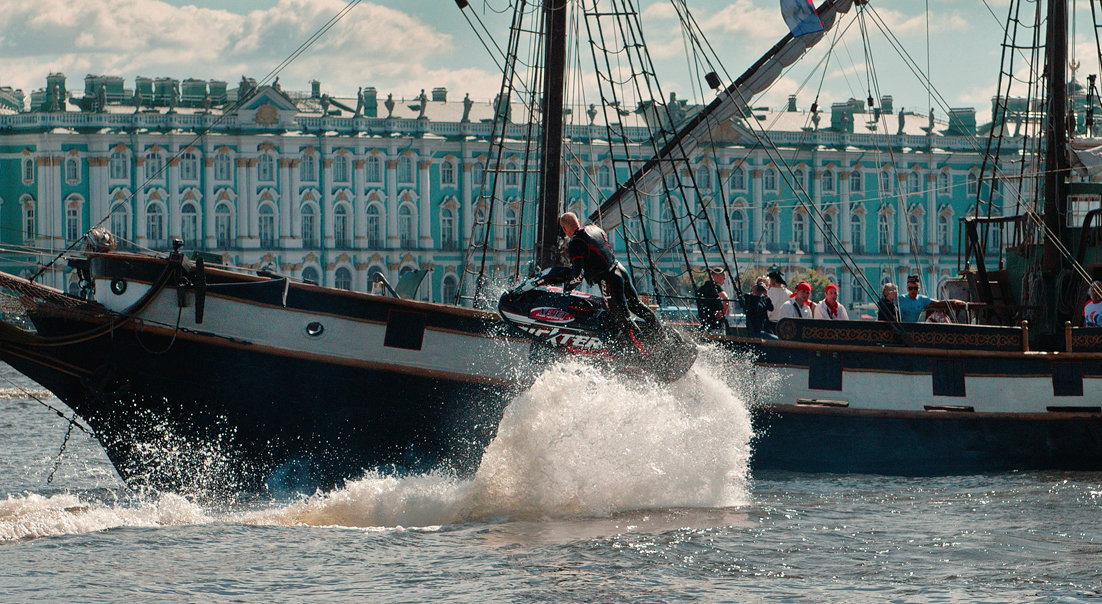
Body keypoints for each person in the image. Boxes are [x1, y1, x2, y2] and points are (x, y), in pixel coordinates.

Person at [542, 212, 659, 339]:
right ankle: (661, 335)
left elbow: (578, 275)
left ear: (564, 229)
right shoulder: (594, 228)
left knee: (623, 319)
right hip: (620, 269)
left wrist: (567, 288)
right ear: (579, 221)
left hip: (609, 280)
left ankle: (640, 353)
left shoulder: (576, 243)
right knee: (637, 306)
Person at [899, 275, 963, 322]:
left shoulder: (922, 299)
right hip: (901, 327)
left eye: (915, 288)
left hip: (913, 329)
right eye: (910, 288)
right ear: (907, 289)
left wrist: (955, 302)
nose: (913, 290)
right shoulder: (901, 298)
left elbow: (938, 303)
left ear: (919, 289)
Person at [696, 267, 730, 332]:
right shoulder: (716, 287)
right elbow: (726, 299)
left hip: (704, 324)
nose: (724, 281)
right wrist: (723, 312)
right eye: (724, 278)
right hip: (716, 324)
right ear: (718, 276)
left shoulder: (701, 289)